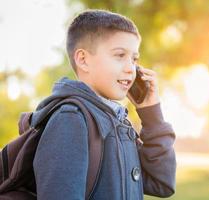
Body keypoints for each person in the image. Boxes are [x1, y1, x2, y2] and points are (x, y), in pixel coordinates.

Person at [32, 9, 176, 200]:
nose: (130, 69)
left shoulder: (119, 123)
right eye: (119, 55)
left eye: (134, 59)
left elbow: (162, 183)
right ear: (83, 60)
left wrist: (151, 114)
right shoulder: (70, 120)